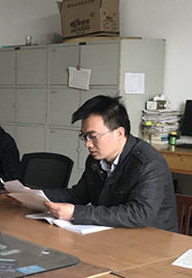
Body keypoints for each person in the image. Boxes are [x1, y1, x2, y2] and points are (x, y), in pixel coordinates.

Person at [41, 95, 178, 231]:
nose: (87, 144)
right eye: (84, 136)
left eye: (93, 137)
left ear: (119, 133)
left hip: (151, 238)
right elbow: (78, 195)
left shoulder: (149, 163)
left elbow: (139, 214)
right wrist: (36, 195)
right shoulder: (95, 159)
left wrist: (76, 213)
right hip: (111, 232)